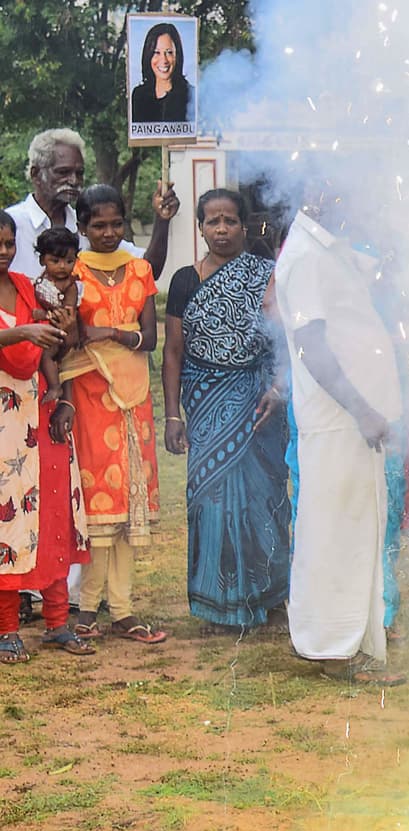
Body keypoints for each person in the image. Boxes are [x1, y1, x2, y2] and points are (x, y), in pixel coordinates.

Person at [273, 194, 405, 686]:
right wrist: (363, 409)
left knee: (353, 529)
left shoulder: (325, 249)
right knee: (335, 533)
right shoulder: (305, 256)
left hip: (350, 422)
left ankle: (349, 644)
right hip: (339, 420)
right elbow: (312, 348)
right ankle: (334, 650)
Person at [161, 189, 290, 634]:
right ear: (199, 227)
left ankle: (271, 599)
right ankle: (217, 605)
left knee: (265, 498)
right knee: (209, 501)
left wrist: (277, 387)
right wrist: (173, 415)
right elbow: (173, 351)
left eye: (229, 221)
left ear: (244, 225)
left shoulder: (267, 274)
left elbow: (281, 341)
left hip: (257, 400)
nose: (221, 229)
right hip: (204, 399)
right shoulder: (185, 280)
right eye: (212, 221)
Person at [61, 186, 165, 644]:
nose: (108, 233)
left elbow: (150, 339)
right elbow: (72, 337)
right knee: (96, 503)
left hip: (134, 399)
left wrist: (109, 333)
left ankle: (122, 610)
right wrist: (111, 335)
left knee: (127, 505)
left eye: (116, 224)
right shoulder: (73, 273)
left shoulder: (140, 270)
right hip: (87, 395)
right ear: (81, 226)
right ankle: (86, 609)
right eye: (98, 225)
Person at [0, 211, 92, 662]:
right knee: (8, 520)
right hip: (4, 420)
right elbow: (23, 338)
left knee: (52, 509)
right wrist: (21, 331)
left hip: (41, 410)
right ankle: (6, 629)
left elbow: (58, 344)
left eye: (8, 242)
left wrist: (64, 399)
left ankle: (57, 622)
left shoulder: (25, 286)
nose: (2, 250)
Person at [5, 128, 178, 281]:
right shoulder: (13, 224)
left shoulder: (87, 226)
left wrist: (162, 220)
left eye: (79, 173)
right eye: (63, 172)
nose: (74, 181)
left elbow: (148, 270)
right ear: (36, 174)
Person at [30, 227, 83, 406]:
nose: (62, 266)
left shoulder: (69, 285)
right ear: (42, 259)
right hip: (43, 327)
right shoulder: (44, 278)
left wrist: (43, 314)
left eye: (69, 261)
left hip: (61, 330)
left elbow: (67, 314)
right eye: (56, 260)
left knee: (46, 356)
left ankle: (55, 387)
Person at [130, 23, 191, 124]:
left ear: (177, 56)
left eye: (169, 52)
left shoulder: (190, 95)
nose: (164, 60)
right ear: (148, 55)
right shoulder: (139, 95)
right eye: (156, 52)